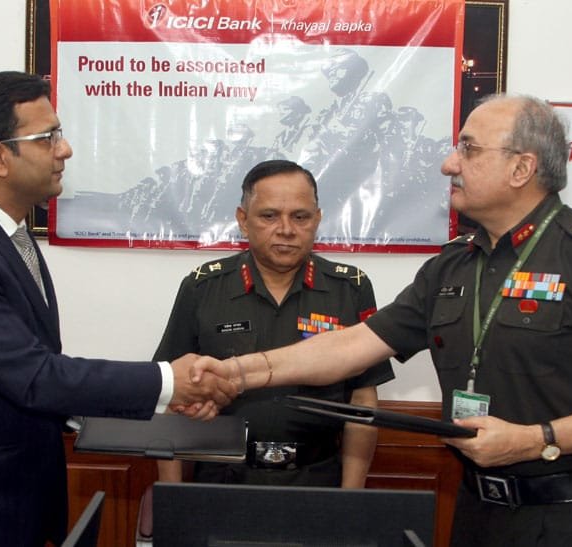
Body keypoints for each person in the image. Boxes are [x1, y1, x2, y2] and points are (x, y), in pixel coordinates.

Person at [189, 95, 572, 546]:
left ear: (521, 168)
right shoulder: (452, 266)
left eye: (468, 149)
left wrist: (535, 440)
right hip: (475, 509)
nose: (450, 164)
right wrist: (236, 373)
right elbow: (352, 344)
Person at [0, 71, 235, 547]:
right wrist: (168, 382)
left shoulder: (4, 235)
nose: (64, 149)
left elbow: (22, 373)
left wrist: (140, 406)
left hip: (16, 504)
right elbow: (34, 377)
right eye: (47, 137)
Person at [154, 159, 394, 490]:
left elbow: (363, 403)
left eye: (300, 216)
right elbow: (171, 400)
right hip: (222, 479)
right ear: (243, 220)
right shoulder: (203, 287)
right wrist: (172, 497)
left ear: (317, 220)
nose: (286, 229)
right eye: (269, 216)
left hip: (317, 479)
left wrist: (350, 500)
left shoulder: (350, 289)